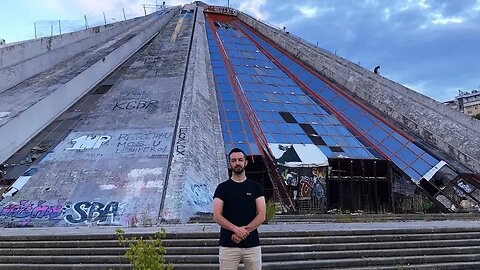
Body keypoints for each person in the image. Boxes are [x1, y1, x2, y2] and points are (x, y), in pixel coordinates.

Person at [213, 148, 266, 270]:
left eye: (240, 160)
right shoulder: (222, 188)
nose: (237, 163)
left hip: (252, 245)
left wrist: (243, 232)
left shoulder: (256, 187)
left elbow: (262, 215)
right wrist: (236, 229)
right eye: (234, 160)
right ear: (230, 163)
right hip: (228, 246)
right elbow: (217, 216)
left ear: (245, 162)